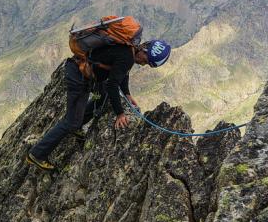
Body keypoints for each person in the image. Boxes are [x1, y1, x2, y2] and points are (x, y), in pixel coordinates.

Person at [25, 39, 171, 170]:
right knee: (70, 122)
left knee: (102, 98)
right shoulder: (127, 56)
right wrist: (120, 114)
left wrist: (127, 94)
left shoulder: (130, 48)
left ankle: (79, 124)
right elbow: (113, 85)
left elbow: (122, 73)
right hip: (78, 75)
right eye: (146, 60)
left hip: (83, 70)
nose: (144, 64)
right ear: (144, 50)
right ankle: (37, 154)